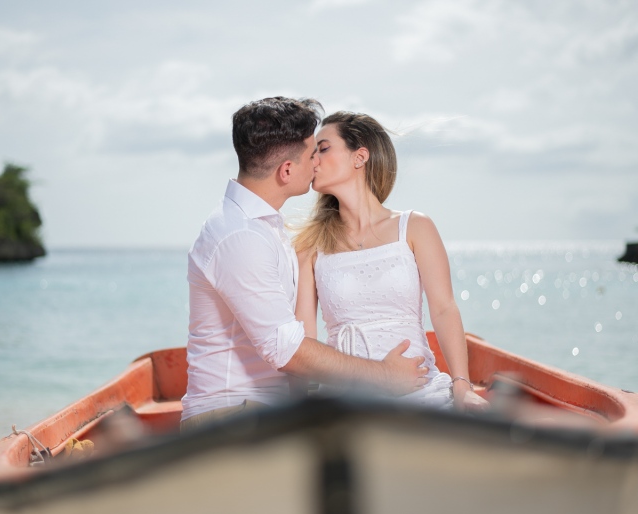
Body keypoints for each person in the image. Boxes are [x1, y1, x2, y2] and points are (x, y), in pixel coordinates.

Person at [181, 97, 429, 431]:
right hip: (231, 417)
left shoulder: (264, 226)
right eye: (313, 153)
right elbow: (288, 350)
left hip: (263, 410)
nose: (317, 162)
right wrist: (384, 375)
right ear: (286, 171)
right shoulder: (240, 236)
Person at [294, 111, 487, 410]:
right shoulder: (309, 246)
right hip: (345, 397)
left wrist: (462, 385)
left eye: (323, 148)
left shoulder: (415, 227)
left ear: (359, 157)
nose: (313, 159)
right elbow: (304, 340)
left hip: (419, 390)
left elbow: (444, 308)